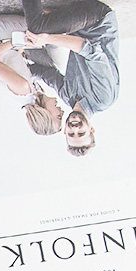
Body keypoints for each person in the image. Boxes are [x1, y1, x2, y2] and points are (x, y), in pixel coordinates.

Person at [23, 0, 119, 156]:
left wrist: (21, 75)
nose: (75, 128)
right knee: (37, 28)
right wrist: (47, 38)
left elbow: (46, 74)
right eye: (81, 133)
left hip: (78, 29)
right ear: (91, 129)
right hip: (97, 21)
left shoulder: (68, 97)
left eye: (71, 134)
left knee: (29, 41)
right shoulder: (103, 99)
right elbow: (91, 51)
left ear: (65, 132)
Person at [0, 14, 64, 136]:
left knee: (44, 27)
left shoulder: (23, 88)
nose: (62, 112)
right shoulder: (32, 93)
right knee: (47, 34)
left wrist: (16, 41)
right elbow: (14, 60)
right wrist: (23, 46)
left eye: (59, 116)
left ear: (45, 114)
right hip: (2, 40)